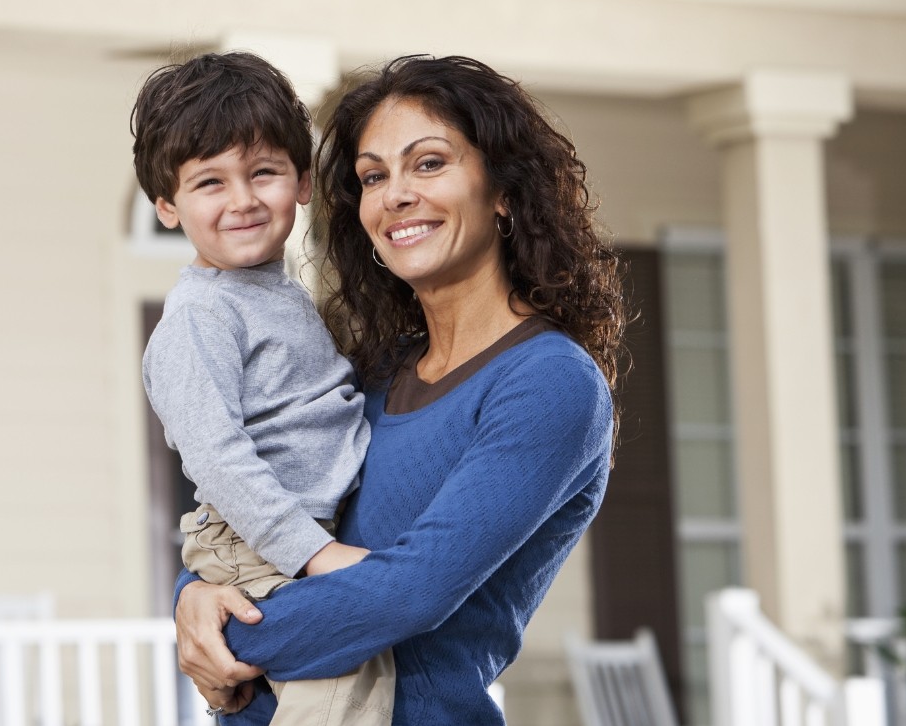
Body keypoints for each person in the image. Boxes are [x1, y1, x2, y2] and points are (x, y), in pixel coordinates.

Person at [174, 54, 626, 725]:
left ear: (503, 189)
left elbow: (408, 594)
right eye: (373, 177)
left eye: (430, 163)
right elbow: (250, 507)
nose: (396, 195)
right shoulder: (369, 374)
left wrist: (226, 631)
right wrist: (191, 595)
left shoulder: (548, 383)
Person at [133, 51, 395, 725]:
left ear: (302, 181)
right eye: (209, 183)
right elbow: (217, 458)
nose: (243, 199)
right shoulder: (199, 317)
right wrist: (315, 553)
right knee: (344, 682)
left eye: (263, 172)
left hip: (287, 531)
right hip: (257, 539)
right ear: (167, 205)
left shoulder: (278, 296)